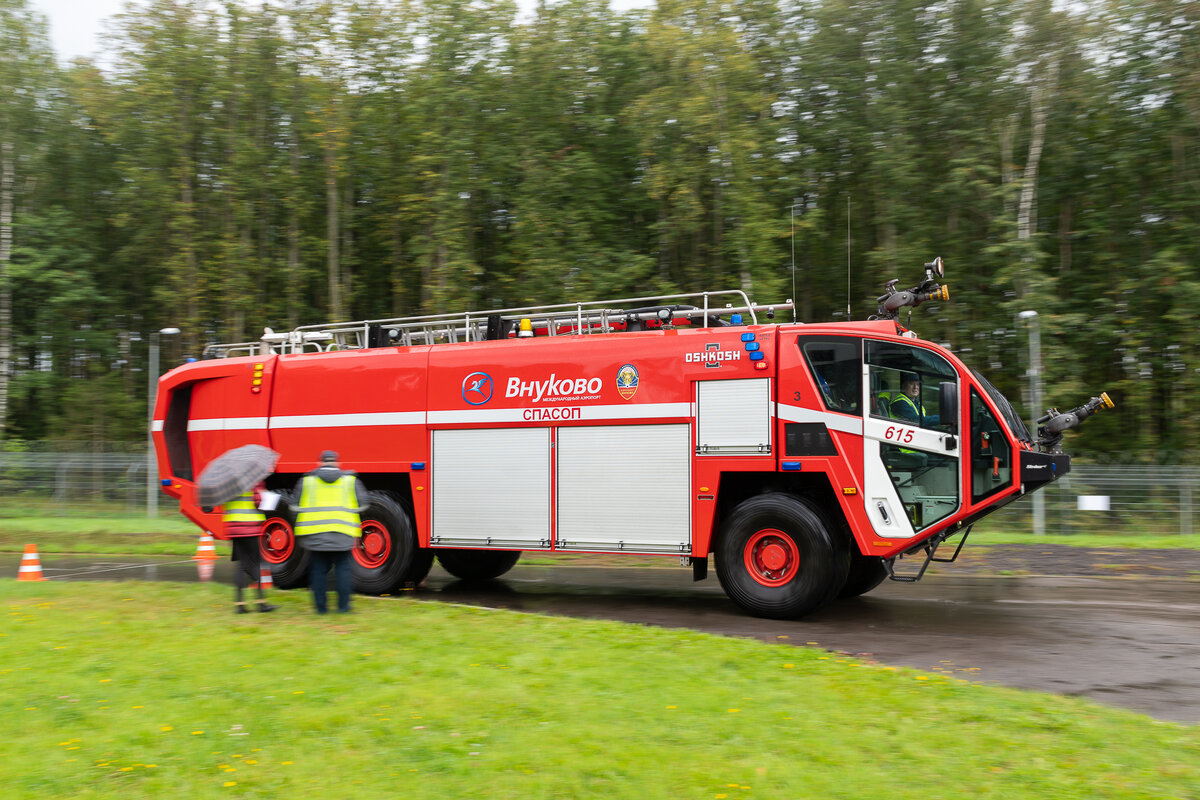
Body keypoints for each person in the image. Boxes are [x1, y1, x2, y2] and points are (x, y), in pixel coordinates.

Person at [292, 450, 369, 614]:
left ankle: (321, 608)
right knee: (343, 569)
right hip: (343, 532)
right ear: (337, 463)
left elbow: (294, 507)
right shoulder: (350, 481)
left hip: (315, 534)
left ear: (319, 463)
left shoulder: (306, 481)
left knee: (318, 570)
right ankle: (344, 606)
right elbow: (363, 505)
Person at [219, 482, 277, 614]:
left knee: (241, 565)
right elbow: (258, 502)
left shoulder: (226, 485)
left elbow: (223, 504)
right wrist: (263, 493)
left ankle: (240, 605)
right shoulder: (253, 482)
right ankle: (261, 604)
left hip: (234, 528)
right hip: (250, 528)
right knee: (256, 564)